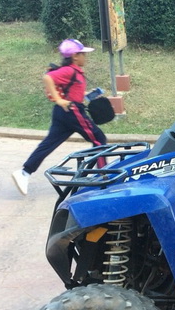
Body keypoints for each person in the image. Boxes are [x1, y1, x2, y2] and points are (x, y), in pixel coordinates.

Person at [12, 39, 106, 195]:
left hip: (63, 113)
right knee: (99, 139)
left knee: (49, 143)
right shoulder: (69, 70)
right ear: (75, 56)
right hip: (72, 111)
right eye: (83, 54)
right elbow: (48, 78)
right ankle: (103, 177)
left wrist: (87, 94)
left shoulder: (75, 72)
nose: (85, 57)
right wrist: (58, 99)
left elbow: (73, 91)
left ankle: (24, 173)